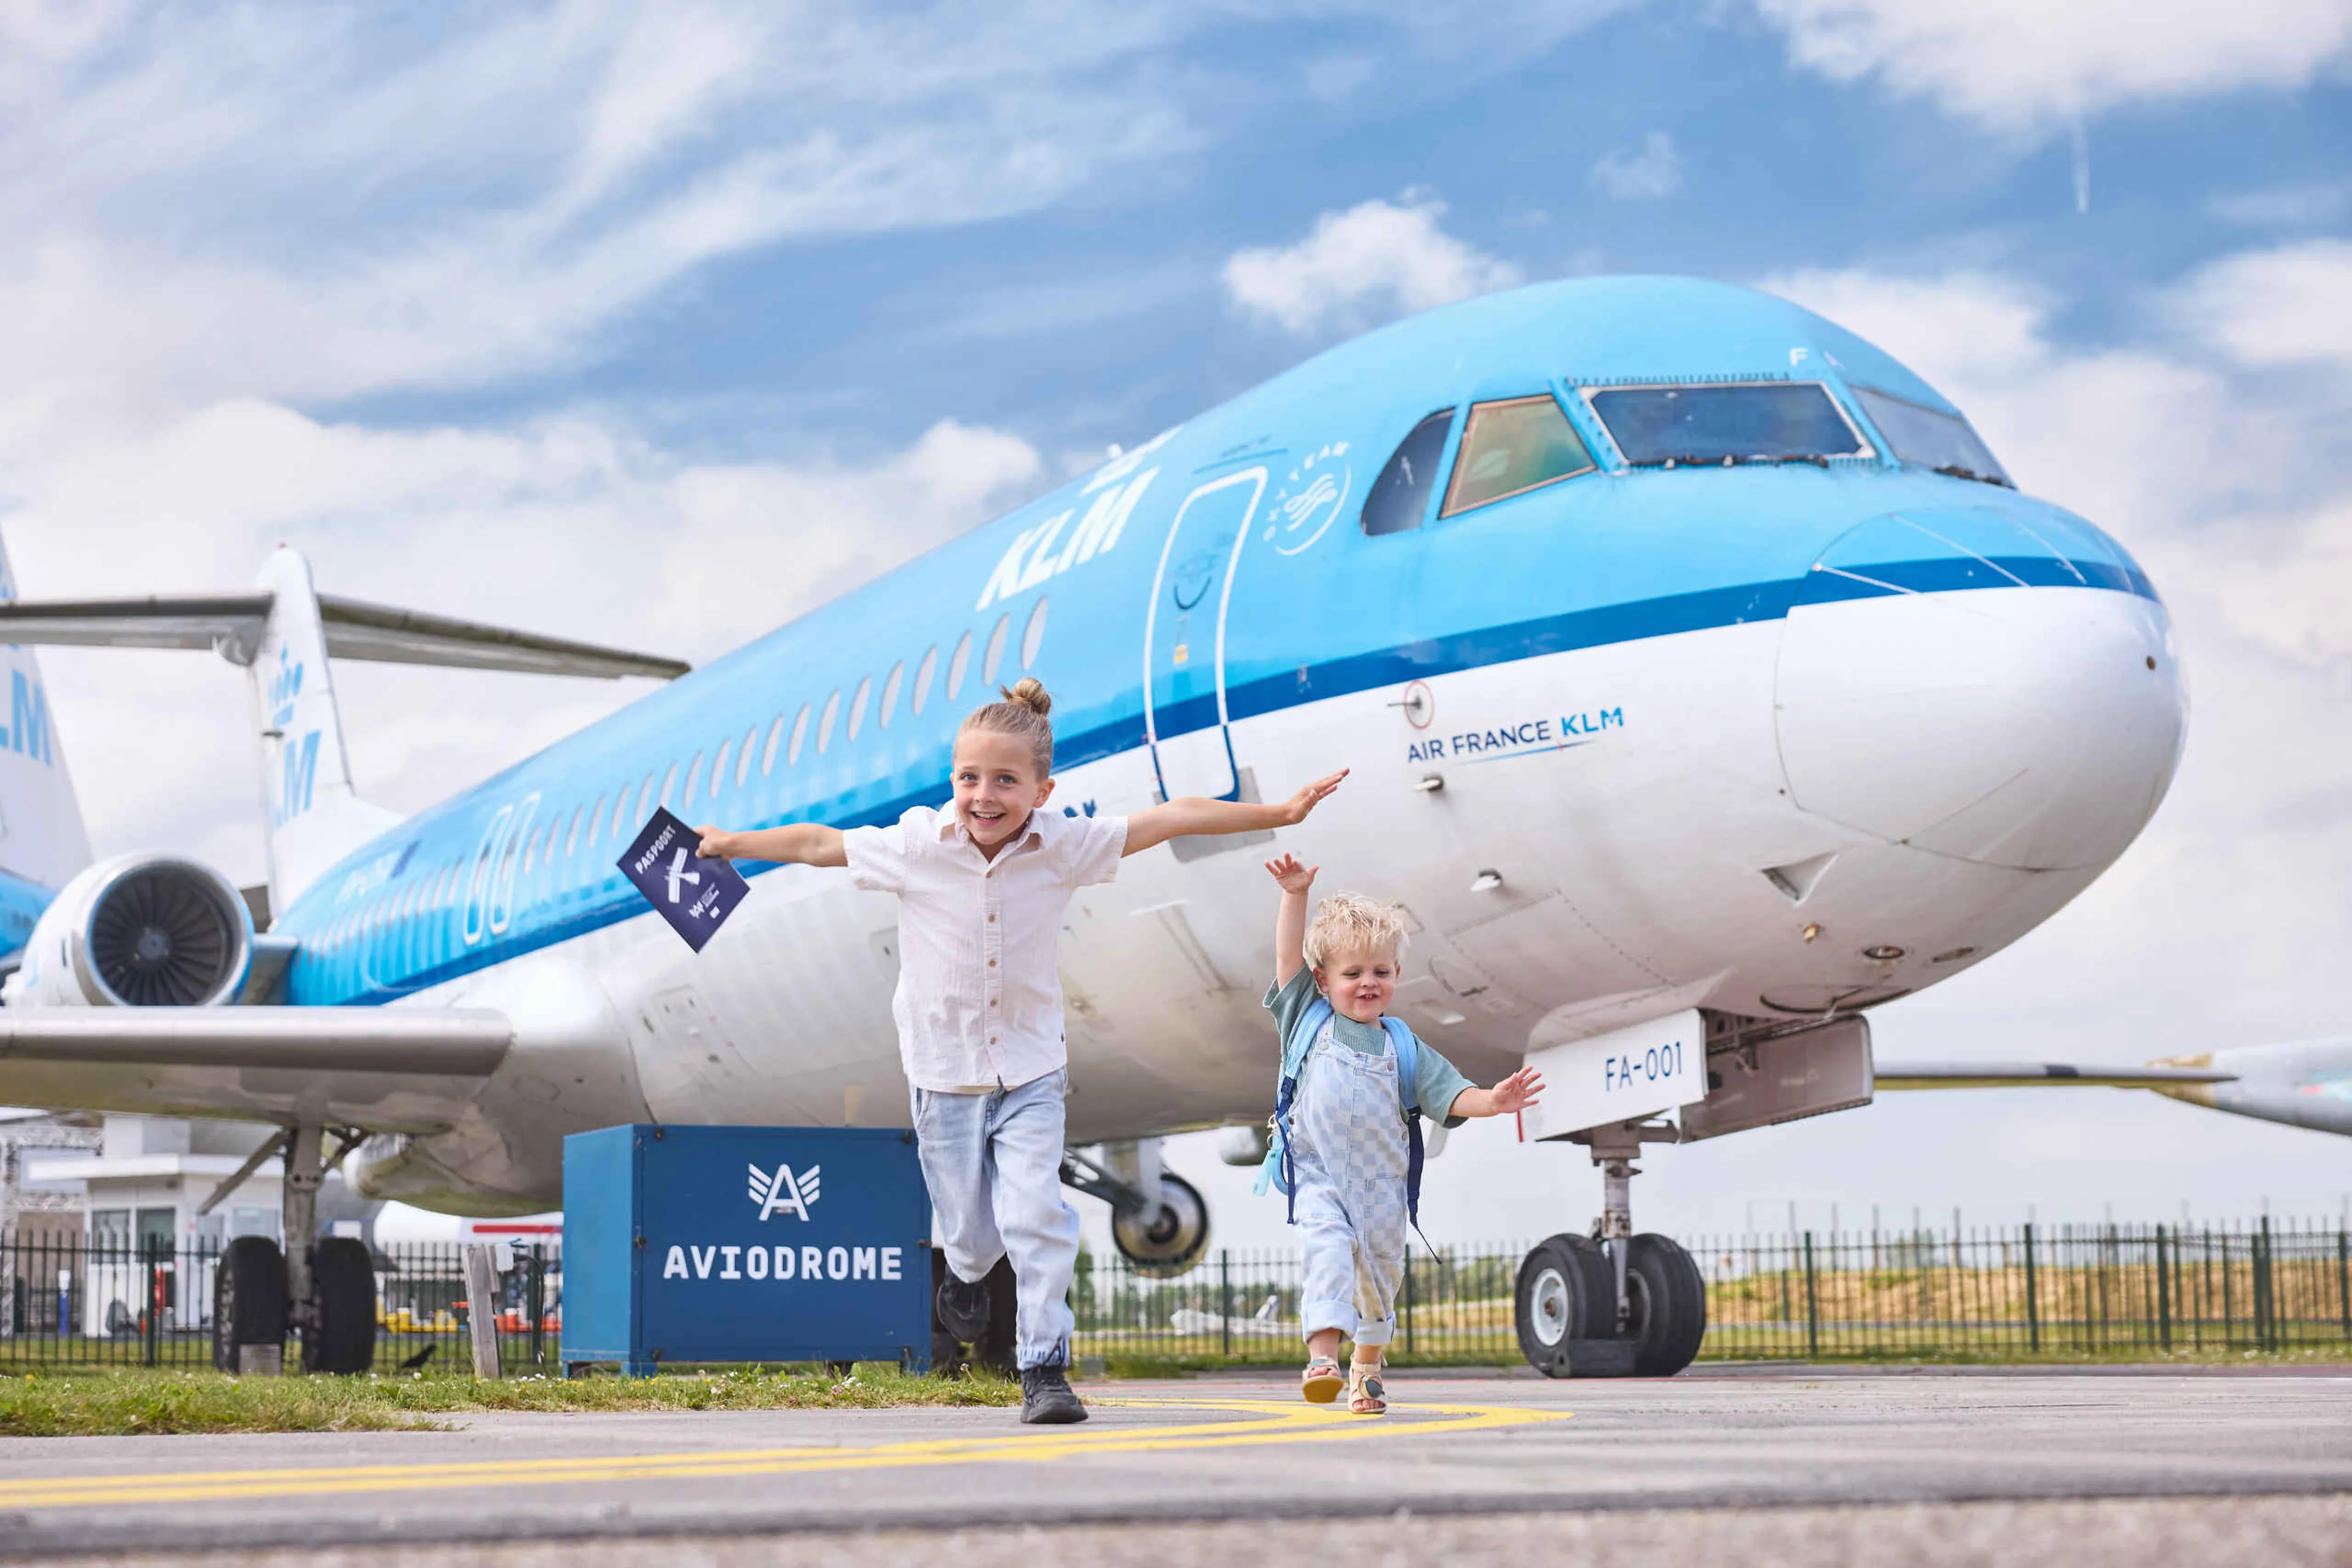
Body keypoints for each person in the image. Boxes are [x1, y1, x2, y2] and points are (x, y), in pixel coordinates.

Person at [698, 678, 1346, 1425]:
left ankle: (1044, 1370)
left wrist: (1282, 811)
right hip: (944, 1077)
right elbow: (818, 844)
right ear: (953, 782)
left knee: (1037, 1215)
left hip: (1033, 1071)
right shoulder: (917, 846)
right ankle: (967, 1277)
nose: (984, 795)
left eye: (1006, 780)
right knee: (970, 1236)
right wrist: (731, 845)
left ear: (1043, 789)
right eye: (970, 778)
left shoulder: (1065, 845)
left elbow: (1173, 817)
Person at [1260, 852, 1542, 1414]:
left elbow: (1450, 1095)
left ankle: (1367, 1371)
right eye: (1353, 973)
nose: (1368, 984)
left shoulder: (1405, 1049)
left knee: (1380, 1283)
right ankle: (1322, 1360)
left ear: (1396, 975)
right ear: (1323, 980)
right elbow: (1287, 957)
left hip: (1382, 1192)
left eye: (1381, 972)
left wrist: (1493, 1100)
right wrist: (1295, 895)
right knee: (1327, 1255)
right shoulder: (1307, 1018)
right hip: (1320, 1179)